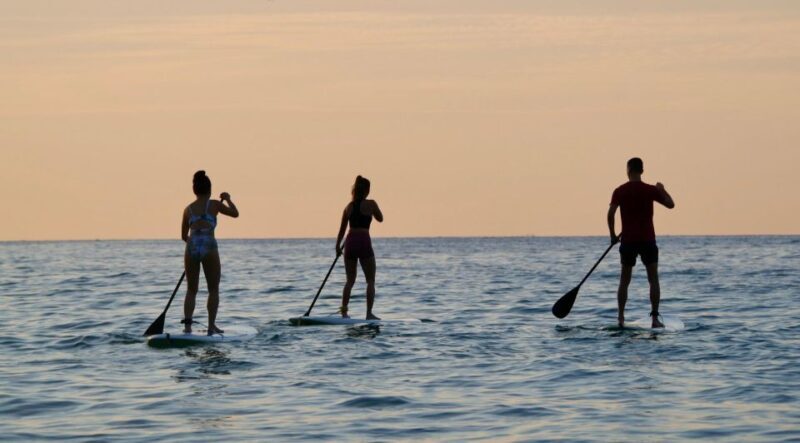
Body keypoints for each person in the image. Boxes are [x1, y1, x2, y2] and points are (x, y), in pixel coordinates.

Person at [607, 157, 674, 328]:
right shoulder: (650, 190)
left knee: (624, 280)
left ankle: (620, 319)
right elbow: (670, 204)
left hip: (628, 241)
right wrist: (663, 190)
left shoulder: (620, 190)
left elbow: (611, 214)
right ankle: (654, 319)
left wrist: (613, 235)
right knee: (653, 280)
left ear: (628, 170)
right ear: (642, 171)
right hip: (647, 241)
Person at [181, 170, 239, 335]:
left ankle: (187, 327)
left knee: (191, 290)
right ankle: (211, 326)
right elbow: (235, 214)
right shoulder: (215, 205)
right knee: (213, 289)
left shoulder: (188, 209)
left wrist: (194, 246)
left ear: (195, 190)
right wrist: (227, 199)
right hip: (209, 247)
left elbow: (183, 235)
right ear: (210, 190)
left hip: (191, 247)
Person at [335, 175, 384, 319]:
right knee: (370, 280)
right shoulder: (371, 204)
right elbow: (380, 218)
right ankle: (369, 313)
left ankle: (344, 313)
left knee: (350, 281)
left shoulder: (348, 207)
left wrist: (337, 246)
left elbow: (342, 230)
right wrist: (372, 210)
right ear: (367, 190)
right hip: (363, 241)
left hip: (350, 242)